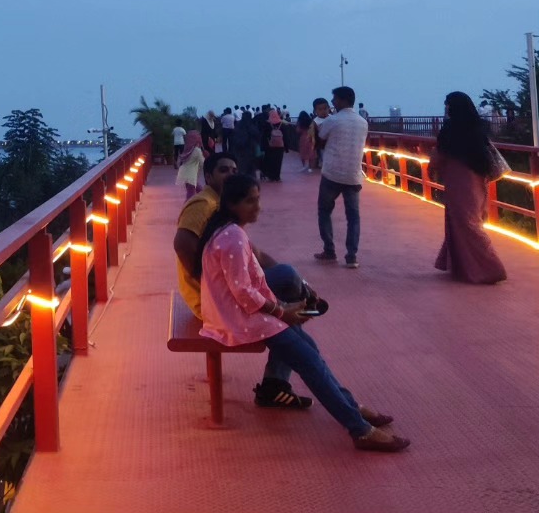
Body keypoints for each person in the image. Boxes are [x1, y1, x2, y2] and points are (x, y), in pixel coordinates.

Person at [196, 174, 409, 451]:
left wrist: (285, 306)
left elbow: (252, 282)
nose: (257, 207)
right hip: (238, 319)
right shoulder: (233, 237)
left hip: (240, 312)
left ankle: (351, 406)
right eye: (250, 201)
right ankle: (359, 429)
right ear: (233, 204)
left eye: (258, 200)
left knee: (310, 349)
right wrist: (281, 312)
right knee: (308, 360)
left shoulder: (229, 230)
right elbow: (243, 292)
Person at [173, 152, 325, 409]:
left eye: (234, 169)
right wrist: (208, 286)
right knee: (287, 289)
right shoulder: (203, 205)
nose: (231, 174)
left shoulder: (225, 211)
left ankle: (300, 313)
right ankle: (276, 380)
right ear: (208, 176)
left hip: (229, 291)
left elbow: (258, 255)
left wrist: (305, 284)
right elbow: (182, 244)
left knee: (288, 277)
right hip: (213, 299)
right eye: (223, 170)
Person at [432, 92, 507, 284]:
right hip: (478, 179)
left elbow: (440, 155)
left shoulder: (450, 129)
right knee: (472, 220)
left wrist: (434, 168)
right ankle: (467, 267)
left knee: (464, 222)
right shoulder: (478, 127)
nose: (446, 108)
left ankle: (491, 268)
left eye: (448, 104)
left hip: (458, 180)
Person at [313, 86, 368, 268]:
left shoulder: (333, 120)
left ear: (343, 100)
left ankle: (329, 250)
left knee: (324, 211)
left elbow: (321, 136)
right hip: (353, 175)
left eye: (335, 99)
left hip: (332, 173)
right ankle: (352, 256)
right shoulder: (362, 122)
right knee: (353, 216)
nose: (332, 103)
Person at [175, 132, 205, 200]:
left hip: (184, 172)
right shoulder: (197, 150)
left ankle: (205, 199)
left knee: (198, 189)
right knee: (190, 194)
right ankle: (187, 207)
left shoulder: (187, 149)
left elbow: (180, 161)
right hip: (191, 174)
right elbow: (202, 163)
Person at [263, 109, 286, 182]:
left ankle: (271, 176)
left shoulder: (267, 123)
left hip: (270, 145)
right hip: (280, 146)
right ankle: (277, 176)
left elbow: (264, 135)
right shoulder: (281, 123)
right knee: (278, 161)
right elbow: (285, 135)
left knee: (271, 161)